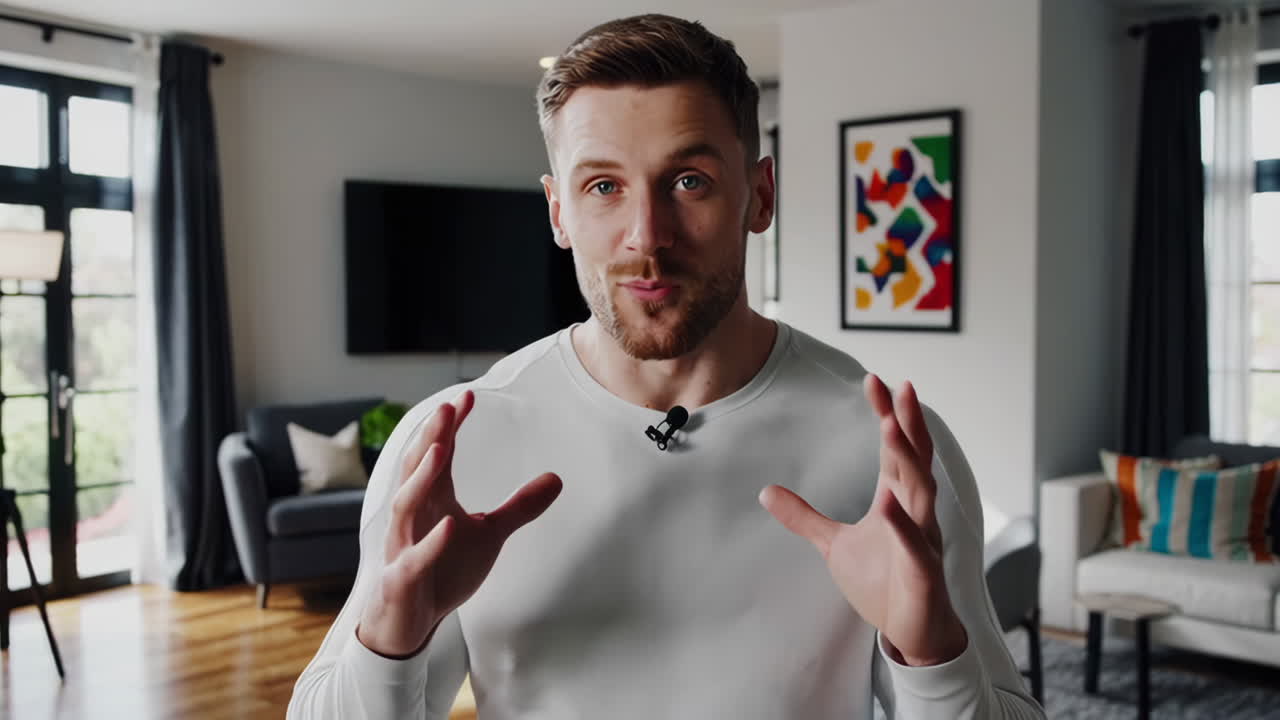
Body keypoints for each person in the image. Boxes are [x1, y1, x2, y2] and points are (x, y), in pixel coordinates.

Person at [288, 13, 1046, 720]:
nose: (647, 236)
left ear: (760, 193)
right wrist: (388, 638)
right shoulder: (450, 446)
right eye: (604, 186)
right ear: (558, 212)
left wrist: (931, 655)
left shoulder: (895, 454)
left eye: (689, 180)